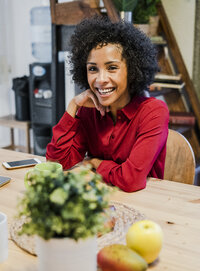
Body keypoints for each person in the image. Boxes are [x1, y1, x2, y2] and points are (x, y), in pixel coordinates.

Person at [46, 16, 169, 192]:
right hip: (98, 202)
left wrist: (96, 163)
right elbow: (58, 164)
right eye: (93, 69)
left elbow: (131, 179)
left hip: (144, 206)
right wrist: (73, 106)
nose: (101, 79)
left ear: (132, 69)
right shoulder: (88, 110)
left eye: (112, 67)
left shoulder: (153, 111)